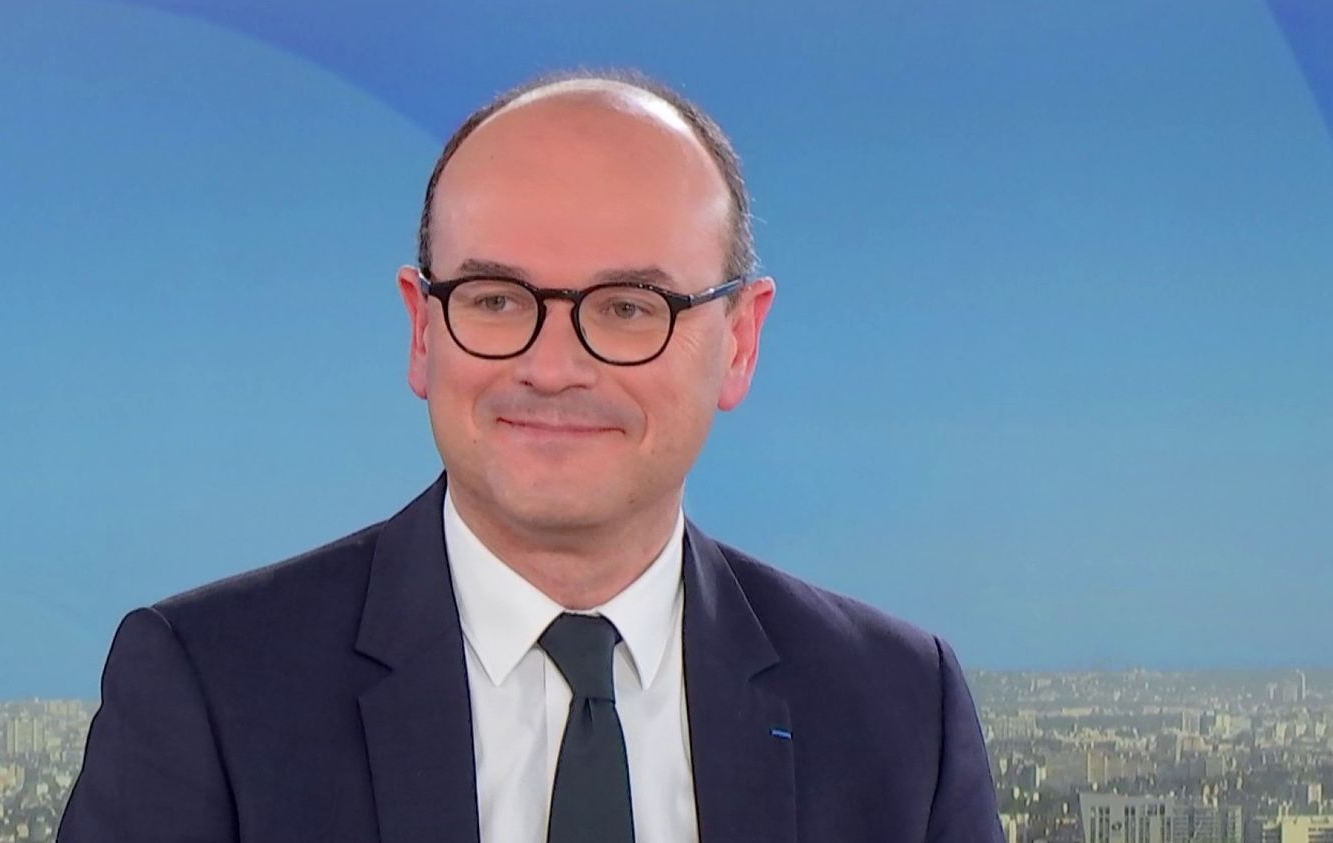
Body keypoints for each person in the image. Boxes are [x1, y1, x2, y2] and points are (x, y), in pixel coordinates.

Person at [57, 70, 1004, 843]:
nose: (552, 367)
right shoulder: (211, 690)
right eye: (497, 300)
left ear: (741, 341)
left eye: (628, 307)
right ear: (422, 330)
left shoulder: (896, 711)